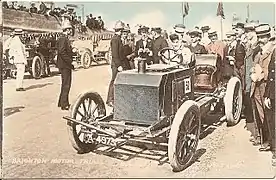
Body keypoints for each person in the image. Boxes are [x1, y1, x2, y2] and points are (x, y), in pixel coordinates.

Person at [250, 24, 275, 151]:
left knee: (268, 115)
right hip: (257, 86)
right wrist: (253, 71)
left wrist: (261, 75)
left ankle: (271, 142)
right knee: (260, 114)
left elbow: (272, 70)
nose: (260, 40)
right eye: (258, 37)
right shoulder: (258, 51)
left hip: (266, 86)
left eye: (262, 37)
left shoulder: (272, 51)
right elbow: (256, 65)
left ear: (268, 37)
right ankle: (264, 139)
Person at [106, 20, 125, 107]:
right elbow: (115, 54)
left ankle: (114, 99)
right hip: (116, 65)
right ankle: (110, 99)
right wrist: (119, 65)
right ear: (118, 30)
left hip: (117, 64)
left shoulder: (118, 39)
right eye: (120, 30)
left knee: (116, 81)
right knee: (114, 81)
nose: (121, 32)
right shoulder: (115, 39)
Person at [56, 21, 74, 110]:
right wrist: (70, 61)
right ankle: (64, 104)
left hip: (64, 65)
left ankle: (61, 102)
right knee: (66, 84)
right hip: (65, 65)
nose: (71, 31)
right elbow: (62, 51)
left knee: (65, 84)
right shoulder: (63, 38)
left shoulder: (63, 38)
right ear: (67, 30)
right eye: (70, 29)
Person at [263, 43, 275, 165]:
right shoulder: (275, 52)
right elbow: (271, 75)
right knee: (273, 123)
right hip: (273, 94)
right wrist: (267, 95)